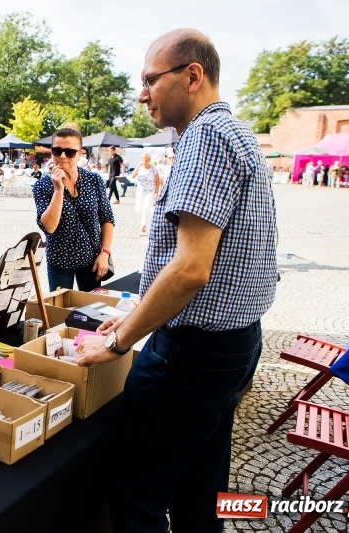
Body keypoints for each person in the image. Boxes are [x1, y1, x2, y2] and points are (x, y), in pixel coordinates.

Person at [76, 29, 277, 533]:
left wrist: (122, 339)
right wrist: (142, 308)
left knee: (136, 492)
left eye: (149, 80)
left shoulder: (206, 136)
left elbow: (191, 268)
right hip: (233, 344)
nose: (142, 94)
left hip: (192, 354)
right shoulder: (236, 132)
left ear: (192, 76)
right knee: (200, 492)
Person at [32, 127, 115, 292]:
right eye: (57, 150)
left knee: (91, 309)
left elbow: (107, 219)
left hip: (92, 259)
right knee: (60, 310)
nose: (62, 156)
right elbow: (49, 226)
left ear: (80, 154)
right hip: (60, 260)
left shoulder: (93, 179)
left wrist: (105, 253)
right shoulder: (42, 185)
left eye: (69, 152)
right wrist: (58, 190)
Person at [130, 153, 161, 236]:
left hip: (150, 191)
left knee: (146, 208)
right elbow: (132, 176)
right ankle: (142, 223)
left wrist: (156, 192)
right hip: (140, 191)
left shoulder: (153, 169)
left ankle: (143, 226)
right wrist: (137, 166)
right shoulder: (139, 168)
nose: (145, 162)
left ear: (149, 160)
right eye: (143, 160)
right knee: (138, 209)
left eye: (146, 160)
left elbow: (157, 181)